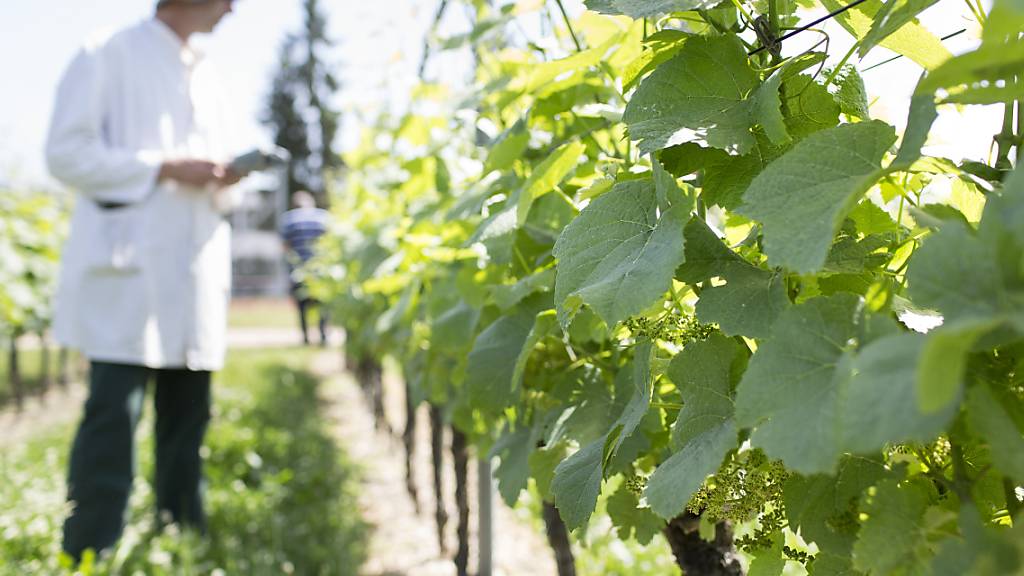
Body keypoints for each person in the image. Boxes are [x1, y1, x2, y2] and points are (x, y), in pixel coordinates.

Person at [45, 0, 241, 562]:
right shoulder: (106, 54)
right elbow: (65, 154)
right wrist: (161, 167)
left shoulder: (210, 76)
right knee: (114, 412)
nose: (234, 8)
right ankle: (90, 547)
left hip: (193, 263)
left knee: (188, 412)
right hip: (129, 267)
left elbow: (222, 178)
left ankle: (182, 534)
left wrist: (226, 176)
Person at [279, 190, 330, 346]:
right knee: (322, 304)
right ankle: (323, 335)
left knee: (302, 305)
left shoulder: (288, 220)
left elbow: (285, 247)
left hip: (299, 269)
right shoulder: (323, 217)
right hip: (320, 268)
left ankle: (306, 337)